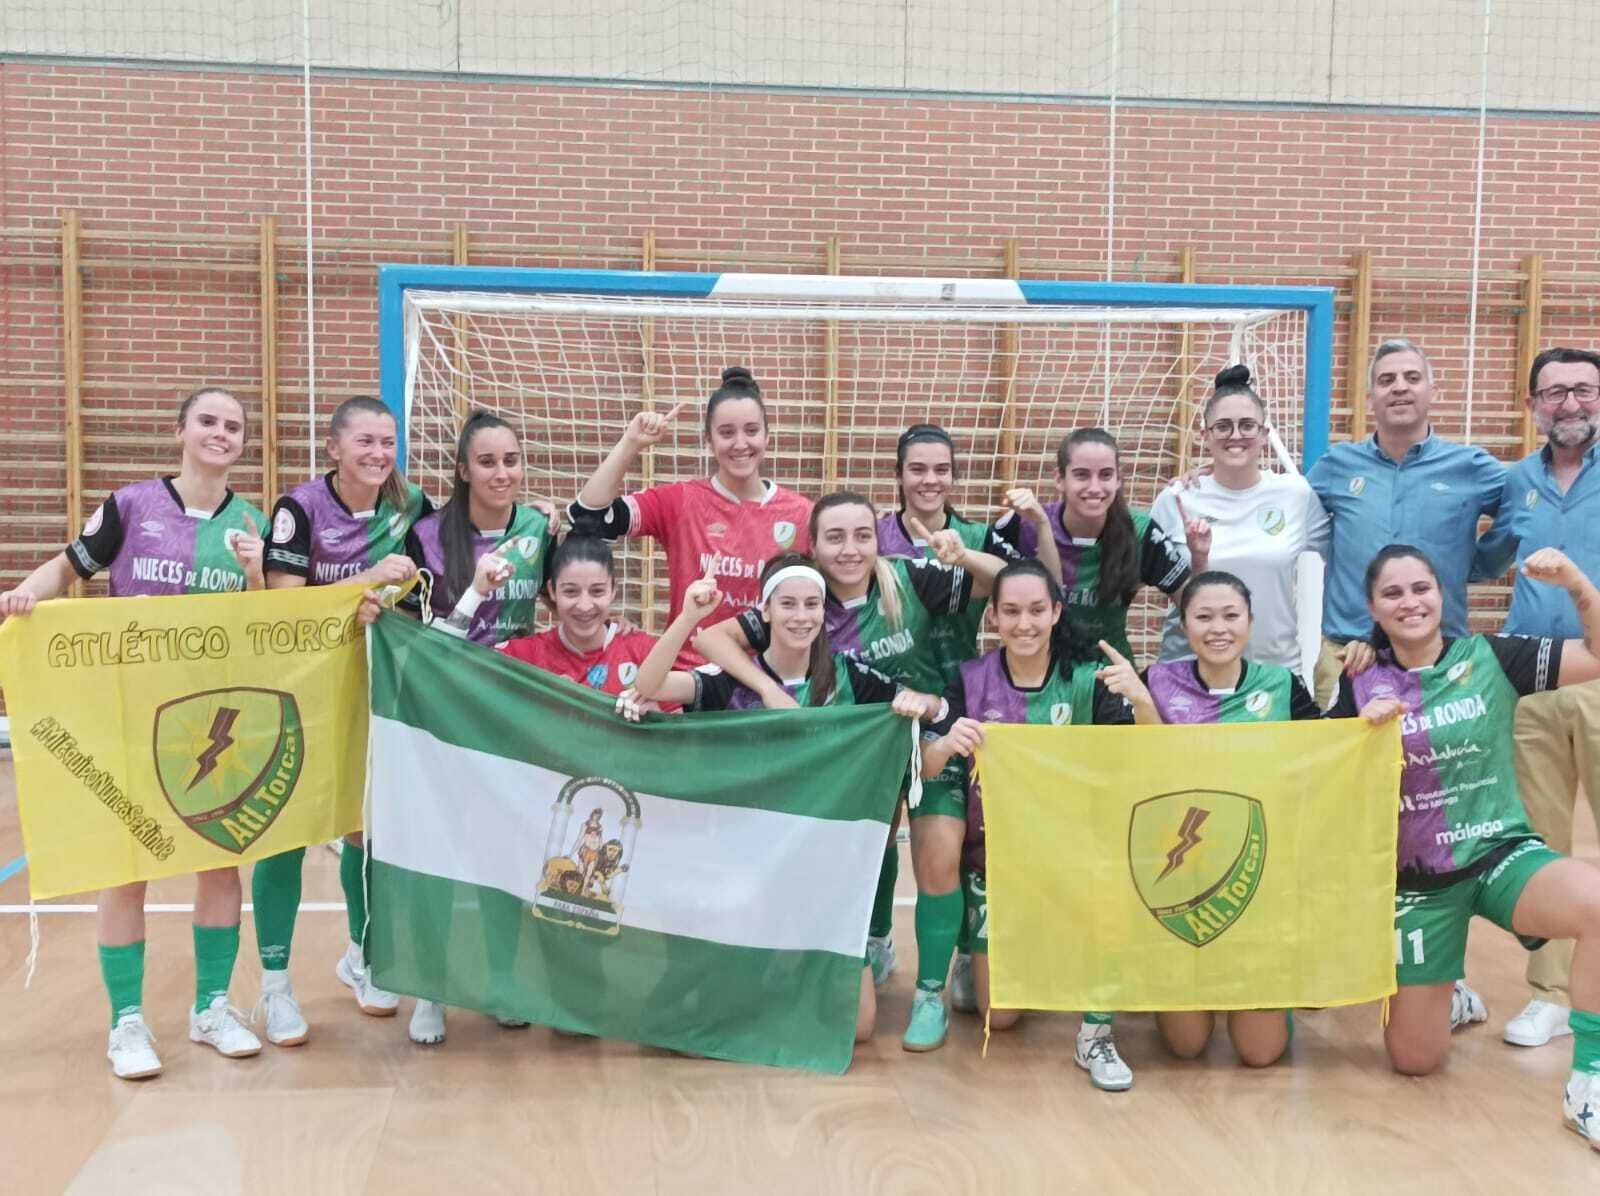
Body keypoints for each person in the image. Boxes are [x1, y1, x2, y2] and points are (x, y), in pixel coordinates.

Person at [694, 490, 1031, 1053]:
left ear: (878, 540)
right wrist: (768, 689)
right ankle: (871, 942)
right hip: (858, 743)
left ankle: (929, 993)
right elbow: (710, 636)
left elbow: (1004, 581)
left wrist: (962, 556)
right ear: (814, 546)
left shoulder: (906, 578)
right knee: (867, 839)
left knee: (936, 853)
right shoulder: (804, 599)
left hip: (927, 726)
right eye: (835, 537)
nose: (849, 549)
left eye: (861, 536)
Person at [0, 387, 268, 1079]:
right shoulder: (129, 507)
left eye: (233, 426)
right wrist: (29, 596)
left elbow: (272, 626)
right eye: (208, 421)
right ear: (181, 429)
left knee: (218, 863)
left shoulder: (251, 522)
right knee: (127, 869)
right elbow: (67, 568)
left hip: (209, 725)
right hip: (127, 716)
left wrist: (257, 574)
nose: (220, 433)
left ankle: (211, 1007)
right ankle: (126, 1022)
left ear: (244, 442)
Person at [1331, 543, 1600, 1152]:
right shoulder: (1357, 680)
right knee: (1414, 1062)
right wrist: (1355, 732)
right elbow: (1321, 779)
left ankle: (1589, 1082)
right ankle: (1450, 992)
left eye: (1421, 588)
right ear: (1372, 606)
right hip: (1419, 884)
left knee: (1597, 905)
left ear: (1442, 593)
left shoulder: (1492, 657)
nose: (1410, 602)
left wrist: (1578, 585)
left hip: (1500, 855)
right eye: (1393, 593)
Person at [625, 556, 939, 1049]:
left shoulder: (850, 676)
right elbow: (649, 686)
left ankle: (783, 970)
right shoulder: (731, 678)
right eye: (787, 604)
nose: (801, 616)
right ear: (765, 611)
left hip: (820, 869)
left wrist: (916, 704)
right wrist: (688, 618)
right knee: (681, 1020)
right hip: (739, 866)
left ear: (823, 612)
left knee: (856, 1028)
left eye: (812, 604)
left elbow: (931, 706)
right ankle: (735, 965)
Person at [917, 559, 1158, 1090]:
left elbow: (1144, 762)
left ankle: (1095, 1034)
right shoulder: (969, 678)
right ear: (994, 619)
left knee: (1113, 891)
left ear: (1055, 612)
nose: (1023, 623)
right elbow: (929, 767)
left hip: (1075, 854)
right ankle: (969, 946)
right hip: (999, 861)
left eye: (1034, 610)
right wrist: (943, 745)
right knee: (999, 1017)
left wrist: (1141, 700)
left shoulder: (1089, 682)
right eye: (1010, 612)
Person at [251, 395, 427, 1047]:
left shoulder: (413, 509)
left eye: (388, 442)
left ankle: (363, 956)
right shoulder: (299, 510)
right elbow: (284, 608)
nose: (380, 453)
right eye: (366, 442)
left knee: (364, 829)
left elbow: (432, 592)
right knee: (288, 833)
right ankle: (274, 987)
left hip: (375, 690)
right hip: (299, 691)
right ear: (334, 448)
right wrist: (363, 580)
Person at [872, 422, 1049, 1014]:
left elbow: (1030, 588)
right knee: (877, 831)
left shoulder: (974, 533)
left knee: (946, 844)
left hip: (956, 701)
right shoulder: (873, 537)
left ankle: (963, 962)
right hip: (884, 703)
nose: (929, 479)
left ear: (954, 474)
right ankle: (875, 945)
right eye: (917, 468)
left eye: (941, 468)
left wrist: (963, 554)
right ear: (899, 475)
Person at [1142, 571, 1323, 1067]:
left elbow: (1328, 752)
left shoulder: (1283, 687)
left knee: (1259, 1053)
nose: (1217, 628)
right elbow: (1124, 766)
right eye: (1203, 617)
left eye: (1230, 616)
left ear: (1249, 622)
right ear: (1183, 624)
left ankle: (1273, 987)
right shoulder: (1154, 683)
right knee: (1185, 1045)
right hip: (1181, 880)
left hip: (1258, 878)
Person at [1491, 347, 1600, 1050]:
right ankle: (1551, 994)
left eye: (1584, 391)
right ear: (1532, 404)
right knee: (1542, 843)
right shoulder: (1511, 482)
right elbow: (1476, 556)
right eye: (1555, 392)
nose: (1571, 404)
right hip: (1532, 681)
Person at [566, 366, 812, 662]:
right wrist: (632, 442)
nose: (740, 443)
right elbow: (588, 514)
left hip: (766, 684)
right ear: (708, 440)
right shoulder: (682, 501)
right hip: (689, 682)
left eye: (751, 430)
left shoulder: (802, 513)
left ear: (767, 436)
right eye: (726, 432)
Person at [1152, 365, 1329, 676]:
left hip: (1274, 672)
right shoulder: (1176, 499)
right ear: (1204, 436)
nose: (1235, 435)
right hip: (1188, 677)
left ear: (1264, 434)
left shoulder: (1296, 494)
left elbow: (1345, 560)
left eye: (1247, 425)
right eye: (1223, 426)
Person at [1015, 427, 1210, 663]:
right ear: (1059, 479)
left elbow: (1196, 606)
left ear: (1118, 479)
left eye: (1106, 475)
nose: (1095, 487)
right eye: (1081, 475)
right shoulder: (1027, 525)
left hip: (1111, 676)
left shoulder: (1141, 532)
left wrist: (1199, 559)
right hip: (1039, 676)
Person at [404, 410, 556, 645]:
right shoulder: (426, 535)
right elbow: (405, 627)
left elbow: (564, 600)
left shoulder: (538, 528)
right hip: (448, 675)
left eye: (511, 461)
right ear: (464, 471)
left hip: (514, 676)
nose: (502, 474)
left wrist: (611, 627)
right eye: (487, 462)